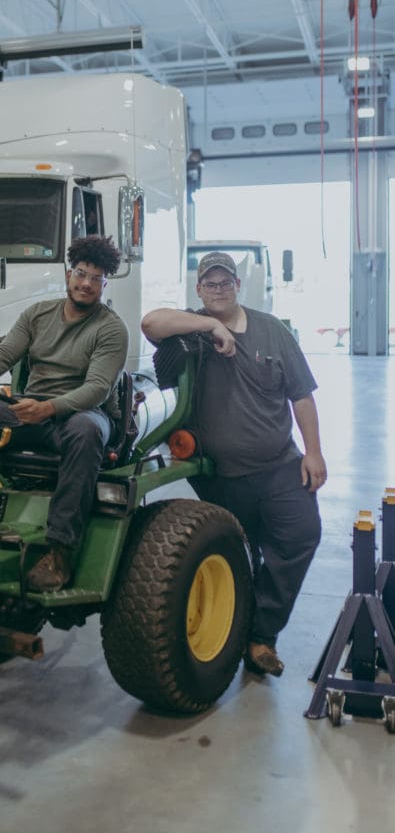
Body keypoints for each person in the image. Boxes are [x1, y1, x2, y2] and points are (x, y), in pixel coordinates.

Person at [141, 250, 326, 678]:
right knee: (239, 557)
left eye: (226, 283)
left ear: (238, 286)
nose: (219, 289)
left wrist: (313, 451)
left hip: (279, 465)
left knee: (300, 535)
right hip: (221, 477)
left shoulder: (272, 330)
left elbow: (301, 395)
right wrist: (210, 324)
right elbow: (150, 322)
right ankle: (236, 628)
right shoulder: (193, 327)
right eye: (210, 284)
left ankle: (261, 635)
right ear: (200, 290)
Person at [0, 235, 129, 593]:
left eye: (95, 278)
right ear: (69, 273)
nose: (86, 283)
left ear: (105, 283)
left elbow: (98, 388)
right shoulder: (38, 314)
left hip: (81, 413)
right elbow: (6, 352)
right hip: (31, 408)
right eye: (81, 273)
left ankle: (60, 549)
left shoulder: (111, 328)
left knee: (85, 433)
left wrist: (47, 409)